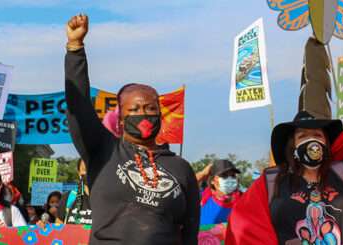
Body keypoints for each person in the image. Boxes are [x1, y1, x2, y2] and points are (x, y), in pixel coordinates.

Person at [228, 64, 343, 244]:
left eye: (317, 135)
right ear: (293, 146)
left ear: (326, 143)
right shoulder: (272, 181)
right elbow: (243, 224)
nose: (311, 141)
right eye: (303, 136)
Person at [64, 14, 200, 244]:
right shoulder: (103, 151)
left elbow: (189, 233)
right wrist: (75, 49)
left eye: (150, 107)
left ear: (160, 113)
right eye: (134, 109)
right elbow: (78, 104)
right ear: (120, 118)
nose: (143, 114)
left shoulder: (181, 169)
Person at [197, 160, 243, 226]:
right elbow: (184, 186)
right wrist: (202, 174)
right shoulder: (204, 197)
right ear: (212, 180)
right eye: (224, 176)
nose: (229, 179)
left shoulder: (244, 199)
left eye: (233, 175)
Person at [59, 160, 93, 225]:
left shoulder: (109, 200)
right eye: (85, 169)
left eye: (93, 169)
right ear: (79, 173)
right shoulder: (68, 197)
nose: (89, 173)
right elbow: (58, 229)